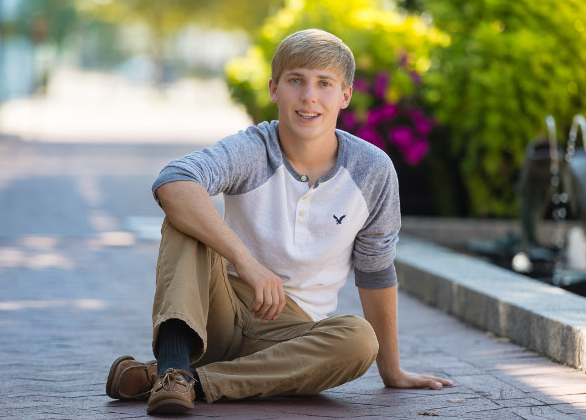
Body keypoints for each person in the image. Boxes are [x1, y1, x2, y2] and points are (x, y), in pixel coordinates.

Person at [105, 29, 453, 415]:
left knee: (358, 339)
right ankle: (173, 365)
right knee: (185, 218)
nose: (309, 97)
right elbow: (173, 181)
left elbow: (375, 271)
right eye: (295, 81)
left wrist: (392, 371)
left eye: (324, 84)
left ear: (345, 95)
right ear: (274, 89)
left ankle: (188, 382)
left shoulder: (372, 170)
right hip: (219, 309)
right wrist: (246, 262)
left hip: (292, 334)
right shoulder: (254, 149)